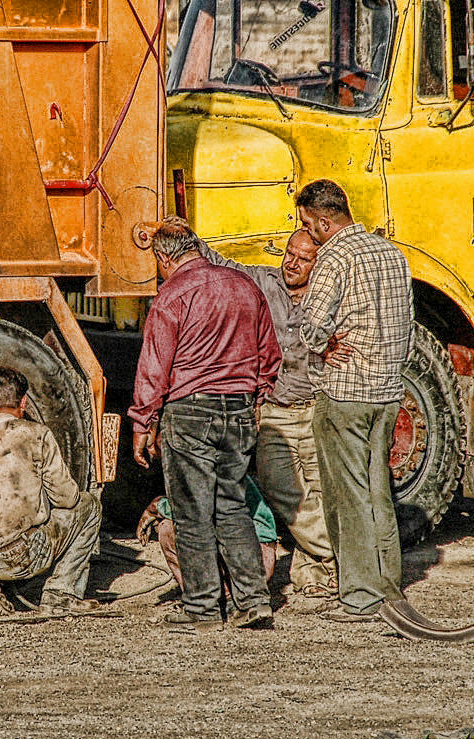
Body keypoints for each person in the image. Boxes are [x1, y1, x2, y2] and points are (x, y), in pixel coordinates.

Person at [129, 218, 280, 633]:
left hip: (190, 411)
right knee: (231, 505)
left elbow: (154, 367)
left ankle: (202, 608)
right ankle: (252, 601)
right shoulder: (244, 286)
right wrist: (257, 396)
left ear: (164, 257)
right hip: (239, 411)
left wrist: (143, 422)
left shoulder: (171, 294)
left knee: (193, 513)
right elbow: (270, 353)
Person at [197, 228, 339, 611]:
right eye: (289, 254)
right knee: (287, 496)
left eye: (302, 258)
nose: (292, 263)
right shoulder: (265, 282)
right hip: (275, 411)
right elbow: (223, 266)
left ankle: (316, 580)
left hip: (316, 407)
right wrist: (191, 238)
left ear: (319, 263)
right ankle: (344, 553)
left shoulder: (330, 293)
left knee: (322, 494)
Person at [295, 179, 414, 623]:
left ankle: (359, 596)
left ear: (325, 221)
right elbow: (408, 323)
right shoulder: (392, 253)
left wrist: (323, 345)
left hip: (345, 392)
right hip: (386, 391)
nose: (306, 231)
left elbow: (310, 324)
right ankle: (388, 587)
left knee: (348, 497)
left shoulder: (335, 256)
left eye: (308, 224)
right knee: (379, 493)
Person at [0, 367, 102, 617]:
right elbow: (67, 498)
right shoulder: (37, 435)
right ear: (23, 402)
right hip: (19, 556)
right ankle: (60, 594)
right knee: (88, 505)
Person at [135, 478, 278, 592]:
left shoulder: (207, 464)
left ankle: (206, 598)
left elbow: (196, 512)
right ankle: (217, 595)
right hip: (255, 558)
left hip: (254, 562)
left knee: (168, 528)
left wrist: (156, 507)